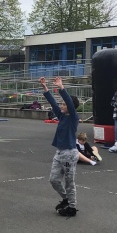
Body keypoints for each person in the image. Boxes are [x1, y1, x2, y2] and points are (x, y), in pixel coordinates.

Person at [40, 76, 80, 218]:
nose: (62, 106)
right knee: (54, 180)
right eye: (61, 104)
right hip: (59, 153)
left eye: (64, 104)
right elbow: (53, 103)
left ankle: (72, 207)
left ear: (70, 106)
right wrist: (45, 88)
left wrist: (61, 87)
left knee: (69, 182)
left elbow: (69, 102)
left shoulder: (73, 117)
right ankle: (66, 199)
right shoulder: (62, 116)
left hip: (70, 154)